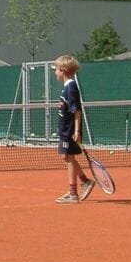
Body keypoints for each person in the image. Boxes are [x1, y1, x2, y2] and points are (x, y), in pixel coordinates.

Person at [54, 54, 95, 203]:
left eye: (56, 69)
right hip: (65, 130)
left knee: (68, 158)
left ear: (63, 70)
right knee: (66, 157)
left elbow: (76, 110)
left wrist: (77, 131)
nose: (55, 72)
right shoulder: (67, 87)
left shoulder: (71, 87)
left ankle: (73, 193)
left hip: (70, 130)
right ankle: (85, 181)